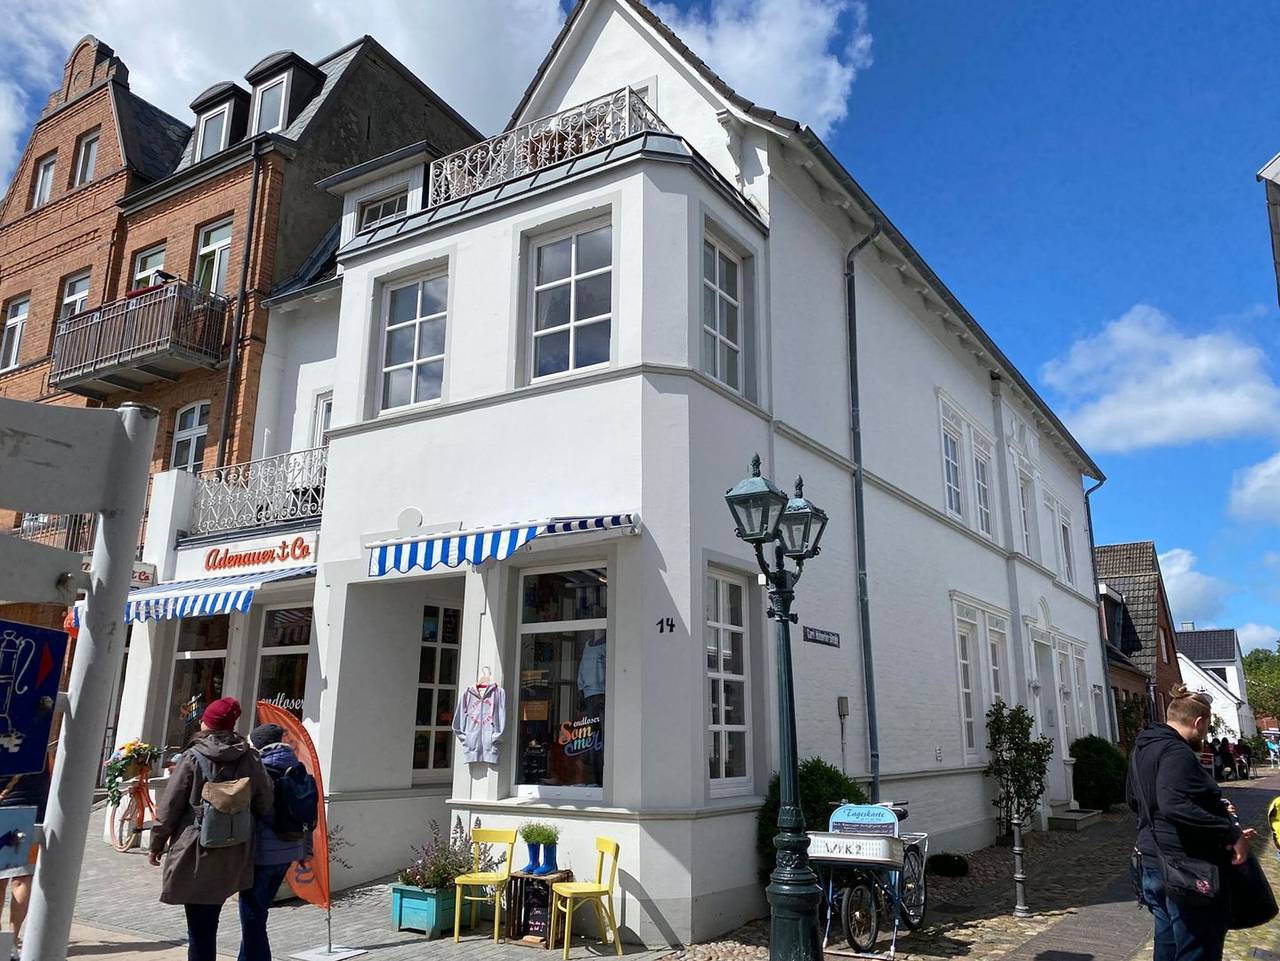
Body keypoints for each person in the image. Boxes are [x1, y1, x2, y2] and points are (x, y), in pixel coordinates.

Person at [1128, 685, 1254, 961]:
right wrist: (1229, 832)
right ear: (1199, 722)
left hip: (1151, 861)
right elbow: (1174, 804)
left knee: (1168, 946)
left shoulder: (1142, 748)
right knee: (1197, 950)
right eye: (1207, 727)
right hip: (1186, 868)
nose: (1206, 735)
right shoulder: (1177, 752)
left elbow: (1135, 801)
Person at [149, 698, 273, 961]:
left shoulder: (192, 757)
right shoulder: (250, 756)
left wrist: (156, 843)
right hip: (236, 847)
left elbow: (170, 805)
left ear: (207, 723)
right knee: (211, 916)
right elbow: (265, 801)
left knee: (200, 930)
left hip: (197, 850)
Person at [239, 723, 311, 961]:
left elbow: (259, 810)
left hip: (262, 854)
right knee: (258, 915)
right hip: (288, 851)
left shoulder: (261, 771)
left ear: (258, 745)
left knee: (252, 919)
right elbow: (309, 814)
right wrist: (305, 851)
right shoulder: (297, 768)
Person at [0, 761, 50, 960]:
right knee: (23, 879)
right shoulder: (39, 748)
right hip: (33, 814)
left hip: (3, 810)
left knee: (0, 880)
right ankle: (12, 941)